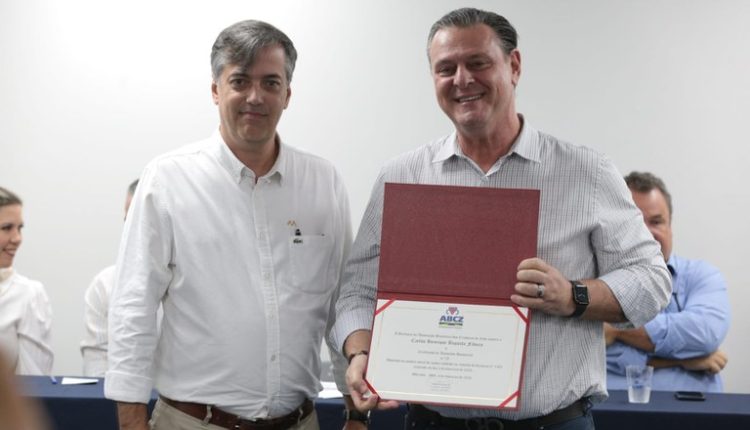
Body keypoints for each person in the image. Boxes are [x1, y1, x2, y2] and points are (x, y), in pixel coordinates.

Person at [330, 8, 671, 430]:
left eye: (478, 63)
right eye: (446, 69)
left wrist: (572, 296)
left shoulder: (587, 173)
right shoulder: (400, 176)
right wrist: (361, 352)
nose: (462, 80)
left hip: (553, 423)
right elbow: (357, 293)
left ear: (514, 66)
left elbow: (652, 281)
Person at [105, 20, 356, 430]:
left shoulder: (322, 182)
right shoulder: (167, 180)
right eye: (240, 81)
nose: (255, 96)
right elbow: (133, 306)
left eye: (270, 83)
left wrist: (356, 412)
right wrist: (131, 420)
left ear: (287, 95)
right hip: (192, 422)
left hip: (299, 421)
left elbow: (342, 303)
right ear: (215, 90)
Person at [605, 171, 730, 392]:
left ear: (670, 227)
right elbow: (586, 355)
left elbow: (705, 335)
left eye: (656, 222)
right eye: (635, 222)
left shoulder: (702, 276)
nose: (647, 233)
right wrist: (682, 359)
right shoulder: (596, 284)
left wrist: (616, 329)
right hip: (609, 409)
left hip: (693, 410)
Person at [80, 179, 140, 377]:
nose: (134, 229)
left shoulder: (196, 285)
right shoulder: (105, 285)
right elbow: (96, 367)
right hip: (116, 396)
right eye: (128, 220)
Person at [0, 186, 53, 376]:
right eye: (7, 228)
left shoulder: (28, 294)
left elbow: (35, 382)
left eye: (19, 228)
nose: (17, 238)